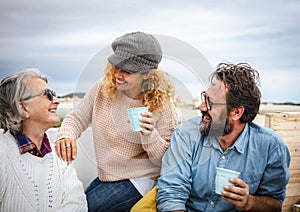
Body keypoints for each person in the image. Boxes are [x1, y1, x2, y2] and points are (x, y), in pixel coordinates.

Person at [55, 31, 178, 211]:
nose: (118, 75)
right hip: (109, 175)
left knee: (85, 208)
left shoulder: (163, 105)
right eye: (116, 67)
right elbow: (76, 118)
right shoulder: (101, 90)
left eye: (126, 71)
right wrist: (66, 135)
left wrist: (150, 135)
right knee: (74, 203)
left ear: (147, 74)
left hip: (142, 179)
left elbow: (165, 161)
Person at [157, 62, 290, 212]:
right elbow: (172, 195)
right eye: (204, 98)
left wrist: (249, 202)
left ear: (236, 113)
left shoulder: (270, 146)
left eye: (210, 103)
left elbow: (274, 204)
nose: (201, 107)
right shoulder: (186, 134)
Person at [0, 68, 87, 212]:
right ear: (23, 108)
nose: (57, 101)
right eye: (48, 95)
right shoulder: (2, 154)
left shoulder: (60, 157)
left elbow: (78, 204)